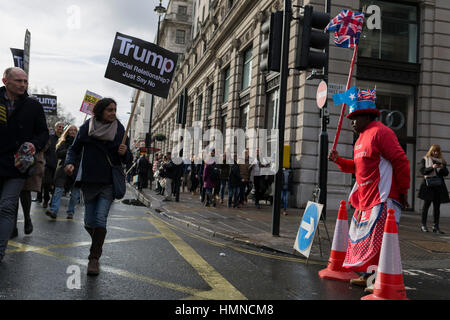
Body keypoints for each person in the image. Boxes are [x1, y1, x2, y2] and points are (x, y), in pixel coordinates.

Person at [328, 91, 410, 291]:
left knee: (379, 241)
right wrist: (338, 160)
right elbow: (357, 167)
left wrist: (403, 190)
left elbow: (401, 161)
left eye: (355, 118)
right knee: (363, 241)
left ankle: (378, 280)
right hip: (365, 199)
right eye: (350, 119)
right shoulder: (361, 139)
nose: (352, 122)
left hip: (383, 197)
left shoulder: (382, 132)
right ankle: (368, 276)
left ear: (367, 116)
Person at [64, 98, 132, 275]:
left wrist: (125, 153)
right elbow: (73, 149)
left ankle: (93, 259)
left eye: (115, 110)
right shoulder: (88, 127)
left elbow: (128, 159)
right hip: (89, 181)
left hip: (108, 182)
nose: (113, 113)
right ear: (100, 111)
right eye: (109, 110)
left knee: (100, 220)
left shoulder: (120, 130)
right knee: (89, 222)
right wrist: (70, 163)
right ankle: (98, 243)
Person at [0, 67, 49, 263]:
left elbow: (43, 133)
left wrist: (33, 145)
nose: (22, 85)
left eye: (25, 81)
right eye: (18, 81)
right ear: (5, 81)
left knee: (6, 206)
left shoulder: (33, 106)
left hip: (17, 164)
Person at [45, 125, 81, 219]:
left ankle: (70, 212)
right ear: (67, 132)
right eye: (70, 130)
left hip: (76, 170)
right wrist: (70, 150)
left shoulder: (81, 144)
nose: (72, 132)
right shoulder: (63, 142)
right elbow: (58, 154)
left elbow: (82, 157)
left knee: (74, 193)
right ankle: (53, 210)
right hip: (63, 169)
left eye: (74, 130)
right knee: (58, 189)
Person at [418, 144, 449, 234]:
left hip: (438, 186)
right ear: (431, 151)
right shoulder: (425, 159)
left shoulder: (442, 161)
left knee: (437, 207)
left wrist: (442, 168)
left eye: (437, 151)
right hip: (428, 186)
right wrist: (432, 167)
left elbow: (446, 173)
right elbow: (422, 171)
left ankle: (436, 226)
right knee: (426, 206)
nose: (436, 153)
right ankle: (423, 225)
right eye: (434, 151)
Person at [37, 122, 64, 207]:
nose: (61, 128)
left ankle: (53, 201)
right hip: (49, 164)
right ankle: (46, 198)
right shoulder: (50, 138)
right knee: (46, 183)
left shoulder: (64, 140)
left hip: (59, 166)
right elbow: (44, 149)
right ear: (55, 128)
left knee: (57, 185)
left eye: (62, 127)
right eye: (59, 127)